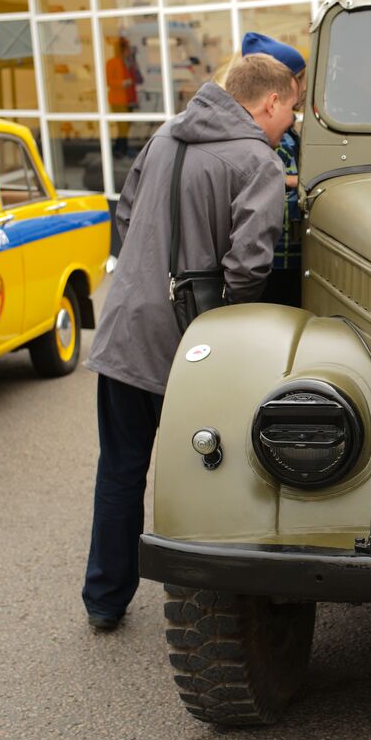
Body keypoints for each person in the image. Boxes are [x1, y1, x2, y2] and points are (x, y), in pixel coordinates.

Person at [81, 54, 299, 631]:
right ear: (269, 102)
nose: (292, 123)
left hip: (126, 327)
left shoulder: (161, 137)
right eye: (292, 110)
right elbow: (249, 266)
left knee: (121, 469)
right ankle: (214, 602)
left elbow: (124, 219)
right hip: (194, 341)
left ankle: (104, 600)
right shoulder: (259, 161)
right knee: (212, 470)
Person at [241, 32, 307, 308]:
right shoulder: (263, 136)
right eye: (300, 79)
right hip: (273, 260)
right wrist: (294, 181)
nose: (304, 87)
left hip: (290, 255)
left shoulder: (288, 131)